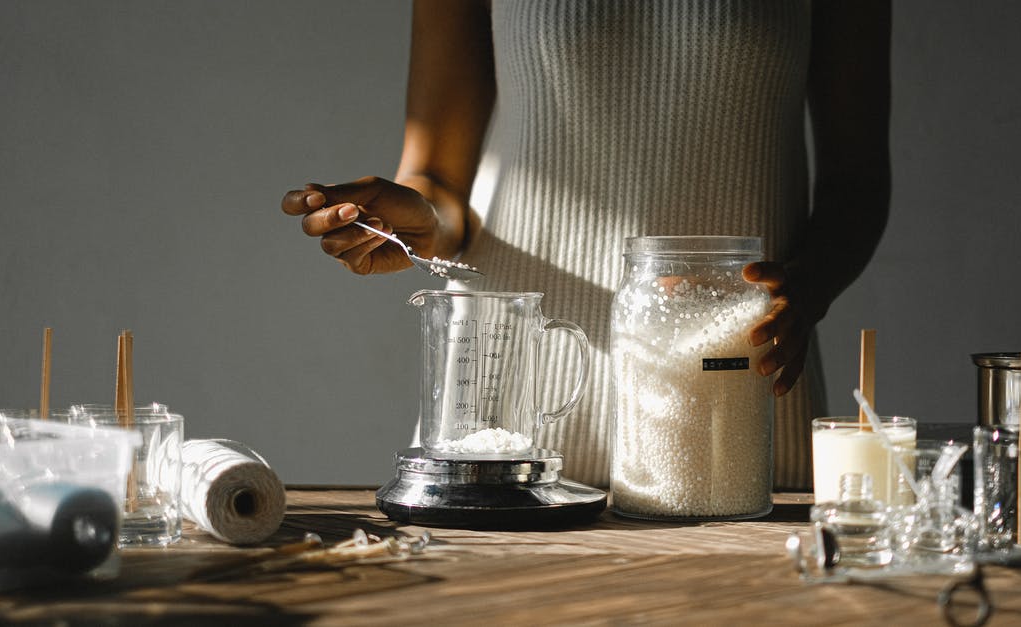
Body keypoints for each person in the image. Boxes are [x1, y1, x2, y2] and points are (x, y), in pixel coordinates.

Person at [282, 0, 890, 490]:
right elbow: (438, 179)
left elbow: (856, 182)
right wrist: (414, 216)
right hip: (508, 412)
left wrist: (810, 285)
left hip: (732, 396)